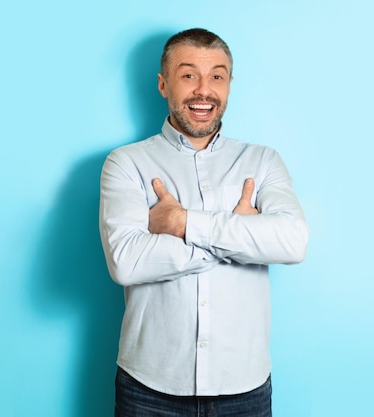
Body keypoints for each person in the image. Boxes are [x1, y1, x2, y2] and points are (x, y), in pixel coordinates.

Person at [99, 28, 308, 417]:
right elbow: (126, 261)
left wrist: (181, 222)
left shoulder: (263, 161)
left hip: (244, 387)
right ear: (164, 84)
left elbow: (292, 242)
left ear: (229, 84)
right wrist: (241, 236)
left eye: (217, 76)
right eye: (188, 74)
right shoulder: (126, 163)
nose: (203, 90)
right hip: (149, 388)